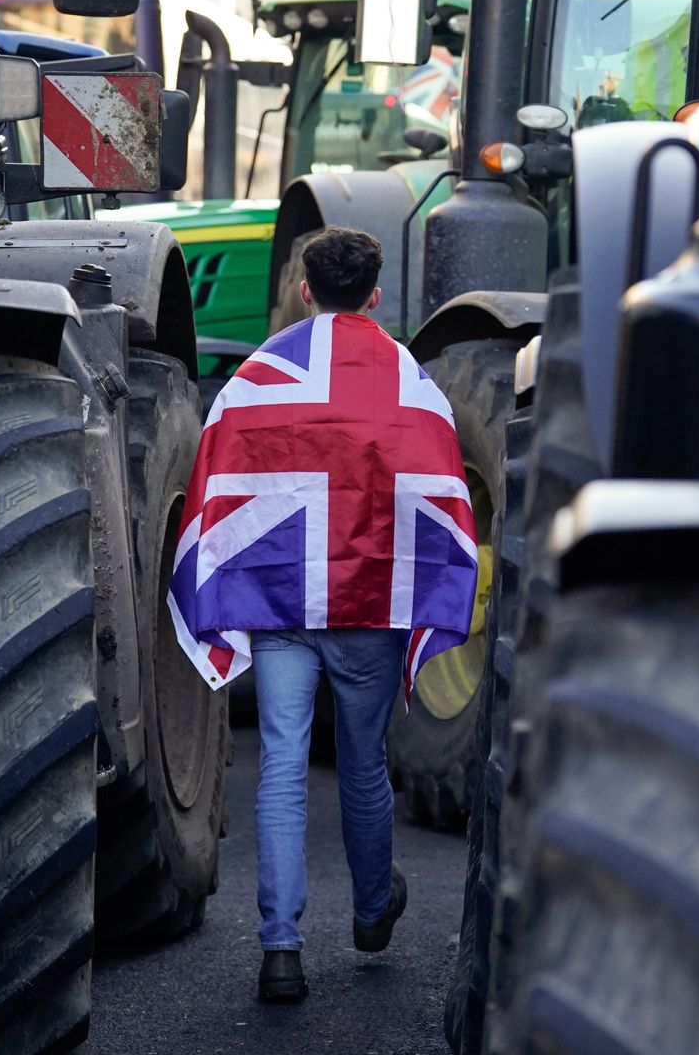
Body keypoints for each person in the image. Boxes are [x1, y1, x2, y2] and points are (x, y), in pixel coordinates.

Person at [166, 227, 480, 1003]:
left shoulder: (255, 378)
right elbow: (441, 493)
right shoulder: (414, 384)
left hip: (278, 599)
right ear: (375, 293)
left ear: (305, 289)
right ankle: (373, 911)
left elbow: (217, 481)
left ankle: (280, 949)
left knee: (279, 762)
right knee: (365, 763)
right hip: (368, 602)